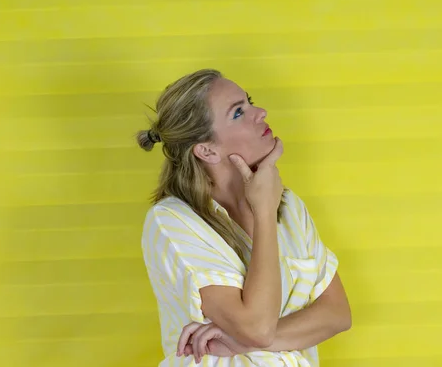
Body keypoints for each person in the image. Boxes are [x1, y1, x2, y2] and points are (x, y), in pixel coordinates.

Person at [136, 69, 351, 366]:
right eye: (238, 112)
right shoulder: (173, 221)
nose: (260, 113)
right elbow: (257, 328)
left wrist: (238, 344)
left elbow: (338, 313)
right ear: (207, 150)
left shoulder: (289, 207)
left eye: (249, 102)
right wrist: (263, 212)